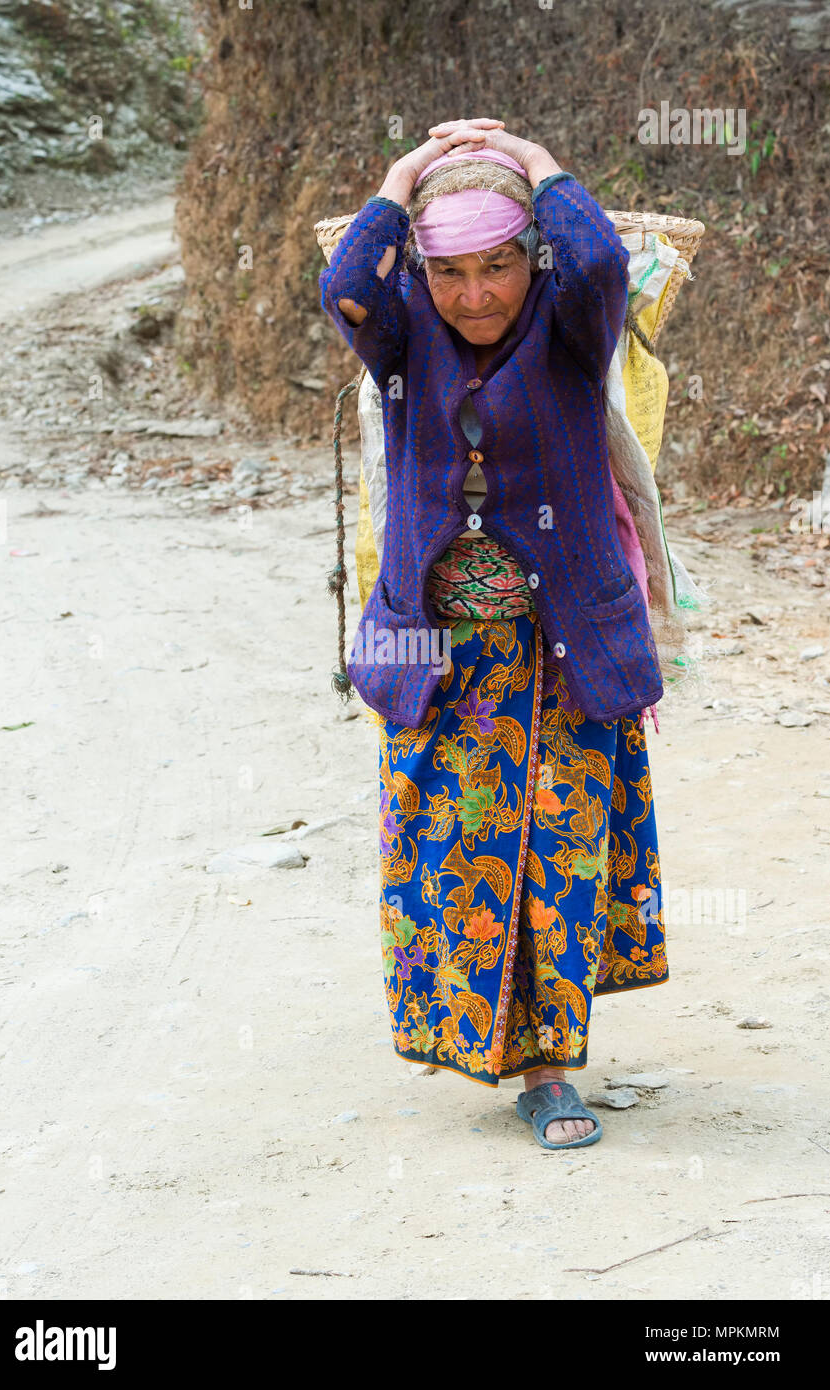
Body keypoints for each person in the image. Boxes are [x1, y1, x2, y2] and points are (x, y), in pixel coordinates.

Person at [319, 119, 668, 1151]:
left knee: (555, 855)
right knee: (454, 847)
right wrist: (401, 176)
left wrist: (531, 156)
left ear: (532, 261)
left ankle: (552, 1071)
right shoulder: (397, 341)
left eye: (498, 265)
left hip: (561, 648)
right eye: (450, 270)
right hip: (431, 653)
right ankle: (484, 1044)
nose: (475, 295)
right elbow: (344, 277)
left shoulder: (571, 331)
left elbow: (598, 255)